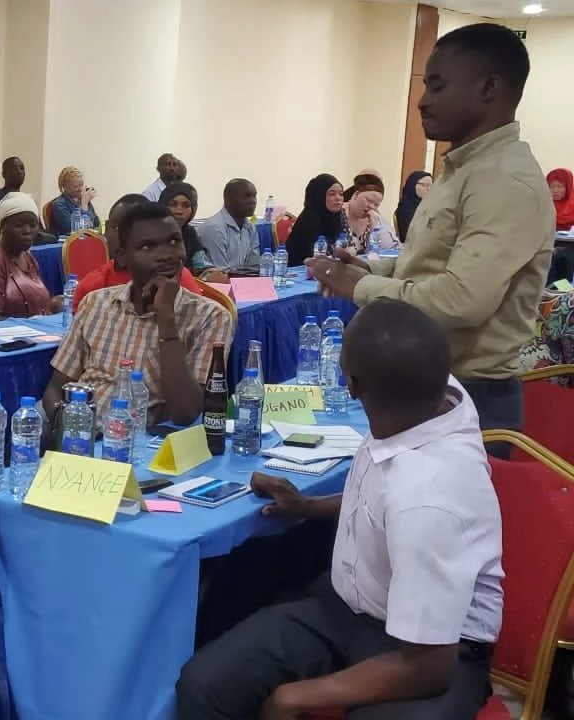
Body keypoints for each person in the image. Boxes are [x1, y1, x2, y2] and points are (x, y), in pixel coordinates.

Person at [176, 299, 502, 720]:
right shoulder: (427, 399)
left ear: (350, 385)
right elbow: (382, 505)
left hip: (438, 650)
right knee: (205, 685)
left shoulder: (427, 498)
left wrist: (296, 696)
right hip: (346, 608)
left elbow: (428, 665)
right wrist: (308, 506)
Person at [311, 23, 554, 437]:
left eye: (437, 87)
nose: (422, 102)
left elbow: (461, 301)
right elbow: (429, 266)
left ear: (488, 88)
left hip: (470, 397)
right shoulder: (462, 168)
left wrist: (362, 288)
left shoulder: (504, 180)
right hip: (426, 386)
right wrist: (369, 271)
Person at [43, 202, 233, 425]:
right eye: (147, 247)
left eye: (174, 241)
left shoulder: (211, 317)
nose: (166, 255)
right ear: (122, 257)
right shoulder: (95, 303)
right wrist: (66, 426)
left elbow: (185, 412)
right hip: (81, 431)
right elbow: (56, 388)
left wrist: (166, 319)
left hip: (141, 446)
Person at [72, 194, 204, 313]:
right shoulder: (92, 290)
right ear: (106, 229)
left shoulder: (177, 278)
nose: (125, 236)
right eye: (118, 228)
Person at [0, 193, 61, 322]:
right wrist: (30, 326)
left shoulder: (28, 257)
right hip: (3, 338)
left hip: (35, 334)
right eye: (19, 225)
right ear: (3, 227)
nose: (27, 231)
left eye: (33, 225)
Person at [161, 183, 228, 284]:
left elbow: (200, 264)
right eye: (173, 204)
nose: (179, 211)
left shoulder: (189, 233)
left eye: (186, 205)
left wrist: (210, 274)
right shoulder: (153, 232)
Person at [197, 179, 261, 271]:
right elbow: (221, 272)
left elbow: (253, 267)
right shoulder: (214, 228)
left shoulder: (250, 227)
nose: (253, 201)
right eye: (246, 196)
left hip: (239, 281)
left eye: (254, 196)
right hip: (216, 283)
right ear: (228, 199)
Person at [286, 174, 347, 266]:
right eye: (332, 194)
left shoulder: (339, 217)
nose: (338, 198)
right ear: (319, 196)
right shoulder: (309, 221)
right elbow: (311, 259)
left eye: (341, 194)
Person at [341, 173, 399, 254]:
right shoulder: (338, 214)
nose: (371, 206)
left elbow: (380, 254)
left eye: (376, 204)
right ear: (356, 194)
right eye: (368, 200)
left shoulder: (375, 220)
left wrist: (373, 231)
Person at [48, 166, 100, 236]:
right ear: (65, 187)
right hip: (68, 243)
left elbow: (97, 223)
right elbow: (76, 230)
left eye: (81, 185)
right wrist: (84, 205)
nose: (81, 189)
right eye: (76, 186)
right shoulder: (59, 204)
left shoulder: (83, 199)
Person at [394, 171, 433, 242]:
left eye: (431, 186)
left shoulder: (429, 206)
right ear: (412, 185)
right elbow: (409, 235)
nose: (428, 189)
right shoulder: (405, 208)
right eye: (424, 185)